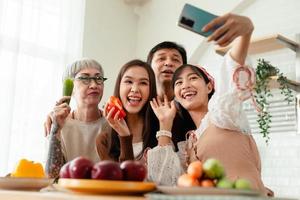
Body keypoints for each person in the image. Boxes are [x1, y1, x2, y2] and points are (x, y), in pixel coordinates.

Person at [147, 14, 270, 195]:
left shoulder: (223, 113)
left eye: (193, 78)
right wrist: (165, 126)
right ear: (177, 97)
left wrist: (245, 34)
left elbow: (231, 69)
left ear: (210, 86)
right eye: (178, 83)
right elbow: (165, 181)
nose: (185, 85)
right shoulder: (188, 142)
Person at [45, 58, 107, 178]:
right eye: (84, 78)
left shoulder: (113, 123)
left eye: (98, 78)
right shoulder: (59, 124)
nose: (94, 85)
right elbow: (52, 176)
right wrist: (55, 130)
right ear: (71, 88)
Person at [95, 59, 158, 161]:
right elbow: (125, 176)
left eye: (143, 83)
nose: (135, 89)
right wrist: (124, 136)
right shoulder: (104, 140)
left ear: (151, 89)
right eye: (128, 81)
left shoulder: (162, 130)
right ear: (119, 86)